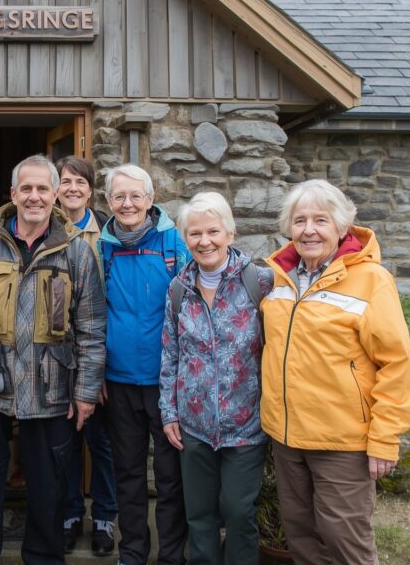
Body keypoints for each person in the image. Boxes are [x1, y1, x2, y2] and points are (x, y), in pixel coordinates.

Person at [0, 154, 106, 565]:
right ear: (12, 194)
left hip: (50, 387)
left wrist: (86, 392)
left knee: (49, 487)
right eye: (26, 189)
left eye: (42, 189)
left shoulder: (77, 254)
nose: (34, 197)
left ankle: (44, 558)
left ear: (54, 196)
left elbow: (90, 328)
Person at [262, 179, 410, 565]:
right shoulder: (277, 277)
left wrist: (384, 439)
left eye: (321, 220)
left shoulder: (370, 280)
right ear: (289, 227)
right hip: (287, 436)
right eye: (300, 221)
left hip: (342, 440)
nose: (309, 230)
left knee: (344, 537)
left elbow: (397, 366)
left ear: (341, 226)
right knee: (301, 535)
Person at [159, 192, 273, 565]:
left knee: (238, 512)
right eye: (194, 233)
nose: (204, 241)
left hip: (247, 424)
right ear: (185, 238)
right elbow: (170, 354)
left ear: (230, 233)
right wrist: (169, 413)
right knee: (199, 517)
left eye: (212, 231)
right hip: (194, 426)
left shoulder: (260, 283)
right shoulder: (178, 290)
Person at [97, 163, 189, 565]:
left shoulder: (174, 244)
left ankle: (172, 555)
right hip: (118, 382)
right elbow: (93, 312)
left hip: (166, 383)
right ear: (109, 202)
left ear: (151, 200)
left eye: (136, 195)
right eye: (119, 196)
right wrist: (96, 371)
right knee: (128, 475)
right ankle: (132, 553)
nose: (128, 203)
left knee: (170, 479)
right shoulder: (100, 248)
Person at [53, 155, 117, 556]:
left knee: (102, 443)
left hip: (99, 355)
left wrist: (102, 368)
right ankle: (70, 514)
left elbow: (111, 303)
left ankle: (106, 518)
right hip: (59, 357)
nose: (72, 188)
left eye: (80, 182)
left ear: (90, 190)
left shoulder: (107, 236)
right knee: (66, 443)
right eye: (65, 181)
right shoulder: (47, 230)